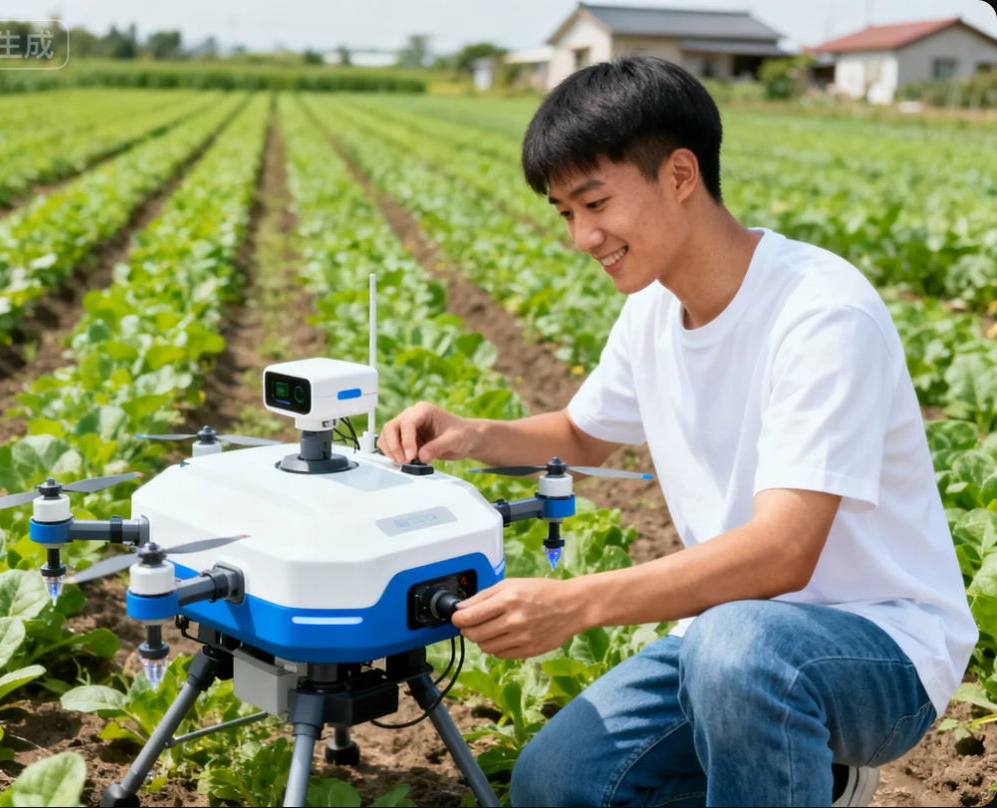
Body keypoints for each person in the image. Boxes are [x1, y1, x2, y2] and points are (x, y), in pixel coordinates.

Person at [377, 57, 977, 808]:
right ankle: (809, 777)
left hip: (880, 648)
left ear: (681, 174)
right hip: (730, 637)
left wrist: (575, 603)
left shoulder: (821, 313)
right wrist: (468, 432)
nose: (582, 236)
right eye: (565, 213)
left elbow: (783, 552)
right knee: (556, 785)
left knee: (741, 651)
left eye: (595, 202)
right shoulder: (653, 310)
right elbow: (581, 437)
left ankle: (798, 752)